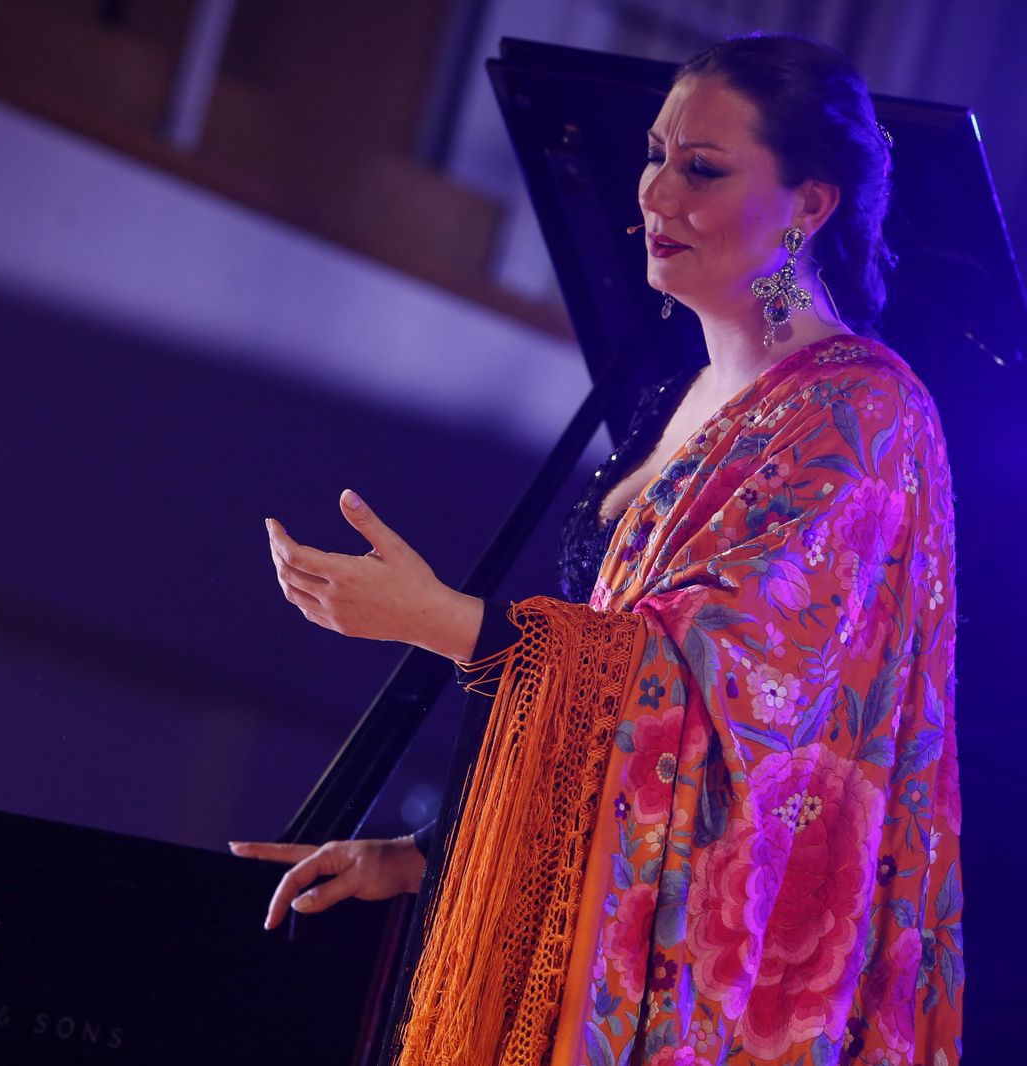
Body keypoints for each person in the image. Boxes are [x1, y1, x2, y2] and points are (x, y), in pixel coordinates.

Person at [231, 33, 962, 1066]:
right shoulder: (674, 401)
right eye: (655, 154)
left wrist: (445, 623)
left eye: (702, 167)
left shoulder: (862, 412)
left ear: (809, 203)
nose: (656, 193)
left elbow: (735, 722)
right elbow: (630, 739)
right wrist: (432, 856)